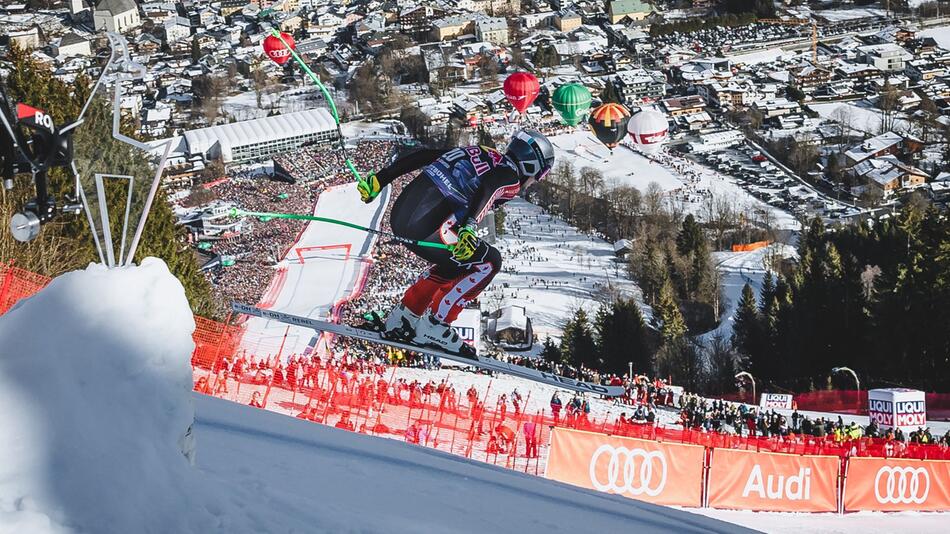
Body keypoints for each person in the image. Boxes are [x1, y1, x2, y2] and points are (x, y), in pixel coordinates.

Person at [358, 130, 556, 353]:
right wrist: (470, 226)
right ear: (532, 164)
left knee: (458, 260)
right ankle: (436, 325)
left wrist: (382, 178)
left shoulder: (482, 153)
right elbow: (490, 186)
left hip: (401, 216)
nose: (536, 181)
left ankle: (405, 316)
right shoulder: (511, 178)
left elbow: (425, 155)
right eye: (541, 174)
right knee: (490, 262)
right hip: (424, 226)